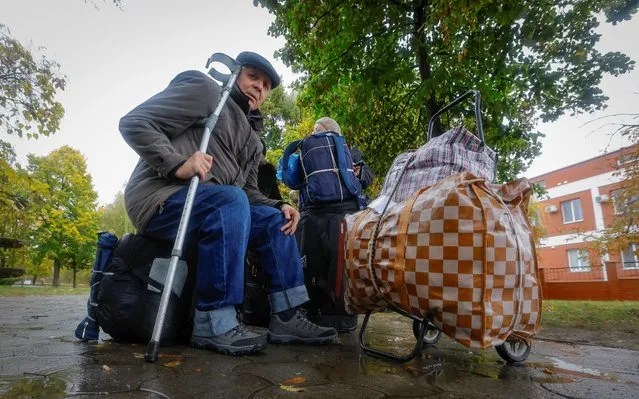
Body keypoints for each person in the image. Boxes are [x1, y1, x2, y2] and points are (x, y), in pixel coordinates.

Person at [119, 51, 337, 356]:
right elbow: (135, 122)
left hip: (215, 208)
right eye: (252, 77)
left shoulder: (253, 140)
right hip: (161, 197)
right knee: (228, 202)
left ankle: (287, 317)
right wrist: (177, 163)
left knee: (277, 223)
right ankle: (214, 321)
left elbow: (246, 193)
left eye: (265, 86)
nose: (258, 88)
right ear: (235, 74)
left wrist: (276, 206)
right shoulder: (206, 91)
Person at [280, 117, 364, 332]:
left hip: (313, 215)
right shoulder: (349, 151)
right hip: (347, 215)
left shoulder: (306, 151)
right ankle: (344, 318)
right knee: (342, 267)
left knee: (311, 264)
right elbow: (364, 180)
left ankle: (312, 314)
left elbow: (290, 179)